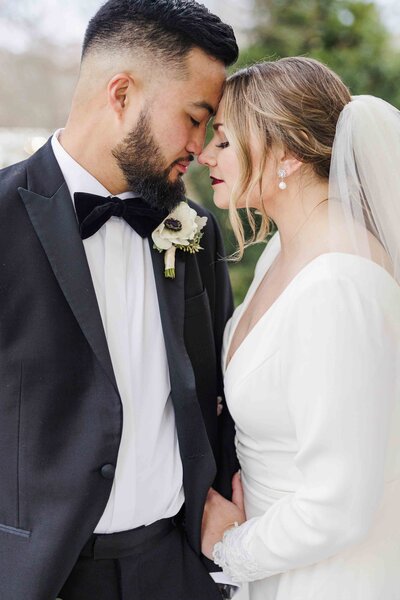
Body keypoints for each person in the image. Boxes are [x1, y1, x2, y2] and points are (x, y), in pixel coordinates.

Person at [0, 1, 240, 599]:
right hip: (37, 577)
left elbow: (223, 394)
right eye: (193, 117)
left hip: (176, 569)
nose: (201, 145)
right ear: (122, 93)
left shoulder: (195, 232)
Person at [199, 57, 400, 600]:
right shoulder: (281, 255)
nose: (204, 155)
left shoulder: (338, 284)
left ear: (284, 150)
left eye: (222, 140)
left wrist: (228, 548)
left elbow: (339, 504)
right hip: (278, 561)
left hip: (325, 578)